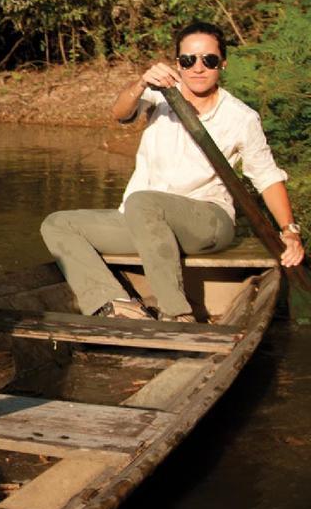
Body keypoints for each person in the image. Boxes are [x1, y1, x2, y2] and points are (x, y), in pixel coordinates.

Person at [40, 21, 304, 322]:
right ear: (178, 63)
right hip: (143, 219)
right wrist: (141, 83)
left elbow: (267, 178)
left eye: (209, 60)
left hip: (206, 221)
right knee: (58, 224)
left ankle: (176, 312)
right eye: (188, 60)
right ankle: (116, 305)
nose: (198, 68)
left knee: (143, 201)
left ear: (223, 63)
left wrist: (289, 231)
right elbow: (120, 112)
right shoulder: (160, 94)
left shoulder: (241, 118)